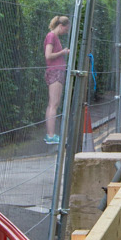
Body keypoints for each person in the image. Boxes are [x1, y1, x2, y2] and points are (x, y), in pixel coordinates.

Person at [43, 13, 70, 144]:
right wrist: (63, 52)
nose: (66, 32)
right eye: (66, 29)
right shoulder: (51, 36)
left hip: (57, 72)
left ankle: (51, 134)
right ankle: (50, 135)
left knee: (54, 104)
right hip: (54, 72)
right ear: (60, 26)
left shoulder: (54, 37)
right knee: (53, 104)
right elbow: (48, 55)